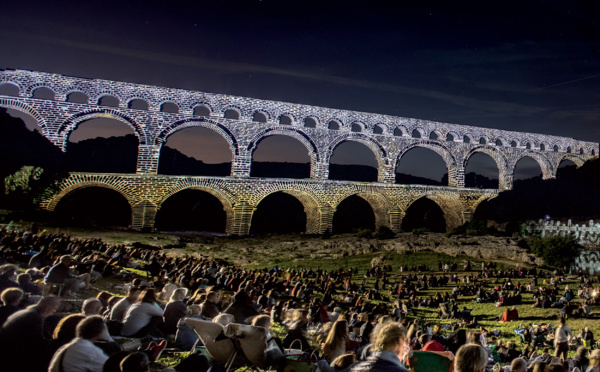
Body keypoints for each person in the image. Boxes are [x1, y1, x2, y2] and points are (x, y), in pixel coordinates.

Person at [0, 294, 62, 371]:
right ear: (47, 306)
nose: (54, 311)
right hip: (13, 356)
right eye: (55, 307)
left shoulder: (28, 312)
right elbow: (37, 342)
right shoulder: (34, 317)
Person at [48, 315, 113, 372]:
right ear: (99, 332)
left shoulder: (68, 346)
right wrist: (108, 338)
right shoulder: (87, 350)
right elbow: (111, 368)